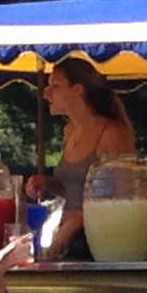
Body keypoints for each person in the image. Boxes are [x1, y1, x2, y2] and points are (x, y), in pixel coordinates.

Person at [26, 57, 136, 258]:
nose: (46, 92)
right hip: (68, 236)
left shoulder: (110, 133)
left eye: (55, 86)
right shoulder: (69, 131)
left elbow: (120, 196)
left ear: (78, 89)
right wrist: (48, 183)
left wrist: (77, 221)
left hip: (99, 240)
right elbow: (77, 189)